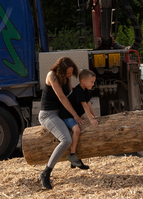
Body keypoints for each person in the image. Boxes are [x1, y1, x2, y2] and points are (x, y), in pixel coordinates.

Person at [37, 57, 85, 190]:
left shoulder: (67, 77)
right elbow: (62, 98)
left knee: (78, 130)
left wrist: (80, 110)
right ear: (61, 70)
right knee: (66, 140)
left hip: (62, 113)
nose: (70, 75)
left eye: (71, 72)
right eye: (68, 73)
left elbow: (69, 94)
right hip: (49, 114)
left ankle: (74, 159)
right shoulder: (51, 75)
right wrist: (74, 115)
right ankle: (45, 173)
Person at [59, 69, 99, 170]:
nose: (93, 84)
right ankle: (72, 154)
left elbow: (89, 103)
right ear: (83, 81)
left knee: (79, 130)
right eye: (91, 82)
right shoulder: (78, 90)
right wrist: (91, 121)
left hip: (74, 115)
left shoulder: (84, 90)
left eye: (93, 82)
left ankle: (75, 162)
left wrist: (94, 116)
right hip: (67, 115)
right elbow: (85, 106)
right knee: (77, 130)